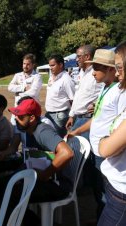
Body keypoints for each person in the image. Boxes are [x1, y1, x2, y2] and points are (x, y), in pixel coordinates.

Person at [68, 48, 126, 220]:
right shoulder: (106, 89)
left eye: (97, 68)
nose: (93, 73)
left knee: (106, 194)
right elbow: (99, 118)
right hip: (98, 151)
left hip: (108, 154)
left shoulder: (119, 92)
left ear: (110, 70)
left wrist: (107, 145)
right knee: (98, 188)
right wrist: (78, 130)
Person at [8, 99, 74, 203]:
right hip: (47, 178)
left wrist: (44, 175)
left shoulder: (42, 131)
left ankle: (31, 219)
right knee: (10, 184)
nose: (16, 119)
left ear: (32, 118)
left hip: (58, 184)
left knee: (14, 192)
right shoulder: (30, 130)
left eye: (20, 116)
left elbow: (67, 153)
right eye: (16, 115)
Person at [95, 41, 126, 226]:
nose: (117, 72)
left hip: (121, 195)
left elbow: (107, 148)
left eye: (120, 67)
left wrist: (105, 141)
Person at [65, 45, 103, 140]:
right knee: (76, 148)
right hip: (78, 118)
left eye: (79, 56)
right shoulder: (81, 72)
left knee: (86, 151)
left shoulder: (97, 73)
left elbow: (106, 91)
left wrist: (98, 104)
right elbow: (77, 96)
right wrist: (71, 116)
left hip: (88, 119)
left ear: (87, 57)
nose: (77, 59)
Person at [45, 54, 75, 137]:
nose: (51, 68)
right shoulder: (51, 77)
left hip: (60, 116)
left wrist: (72, 117)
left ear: (61, 65)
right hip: (49, 113)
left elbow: (73, 99)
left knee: (57, 140)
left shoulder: (66, 80)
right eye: (50, 65)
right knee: (49, 138)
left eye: (53, 65)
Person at [8, 53, 43, 125]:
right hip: (17, 109)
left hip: (30, 112)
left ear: (33, 65)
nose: (25, 66)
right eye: (24, 63)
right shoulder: (17, 75)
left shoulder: (37, 77)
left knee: (29, 134)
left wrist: (18, 93)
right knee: (14, 132)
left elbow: (33, 93)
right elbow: (10, 87)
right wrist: (23, 88)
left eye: (28, 64)